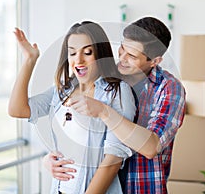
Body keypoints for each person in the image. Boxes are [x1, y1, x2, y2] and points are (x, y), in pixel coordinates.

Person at [43, 17, 186, 194]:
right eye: (122, 49)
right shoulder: (104, 75)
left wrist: (104, 112)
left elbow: (151, 147)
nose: (122, 59)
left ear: (154, 61)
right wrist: (48, 158)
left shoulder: (169, 88)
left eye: (132, 56)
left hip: (140, 188)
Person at [8, 21, 136, 193]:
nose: (79, 60)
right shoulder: (62, 90)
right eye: (72, 53)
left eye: (87, 52)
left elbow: (112, 161)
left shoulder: (117, 92)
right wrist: (30, 60)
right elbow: (17, 109)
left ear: (101, 54)